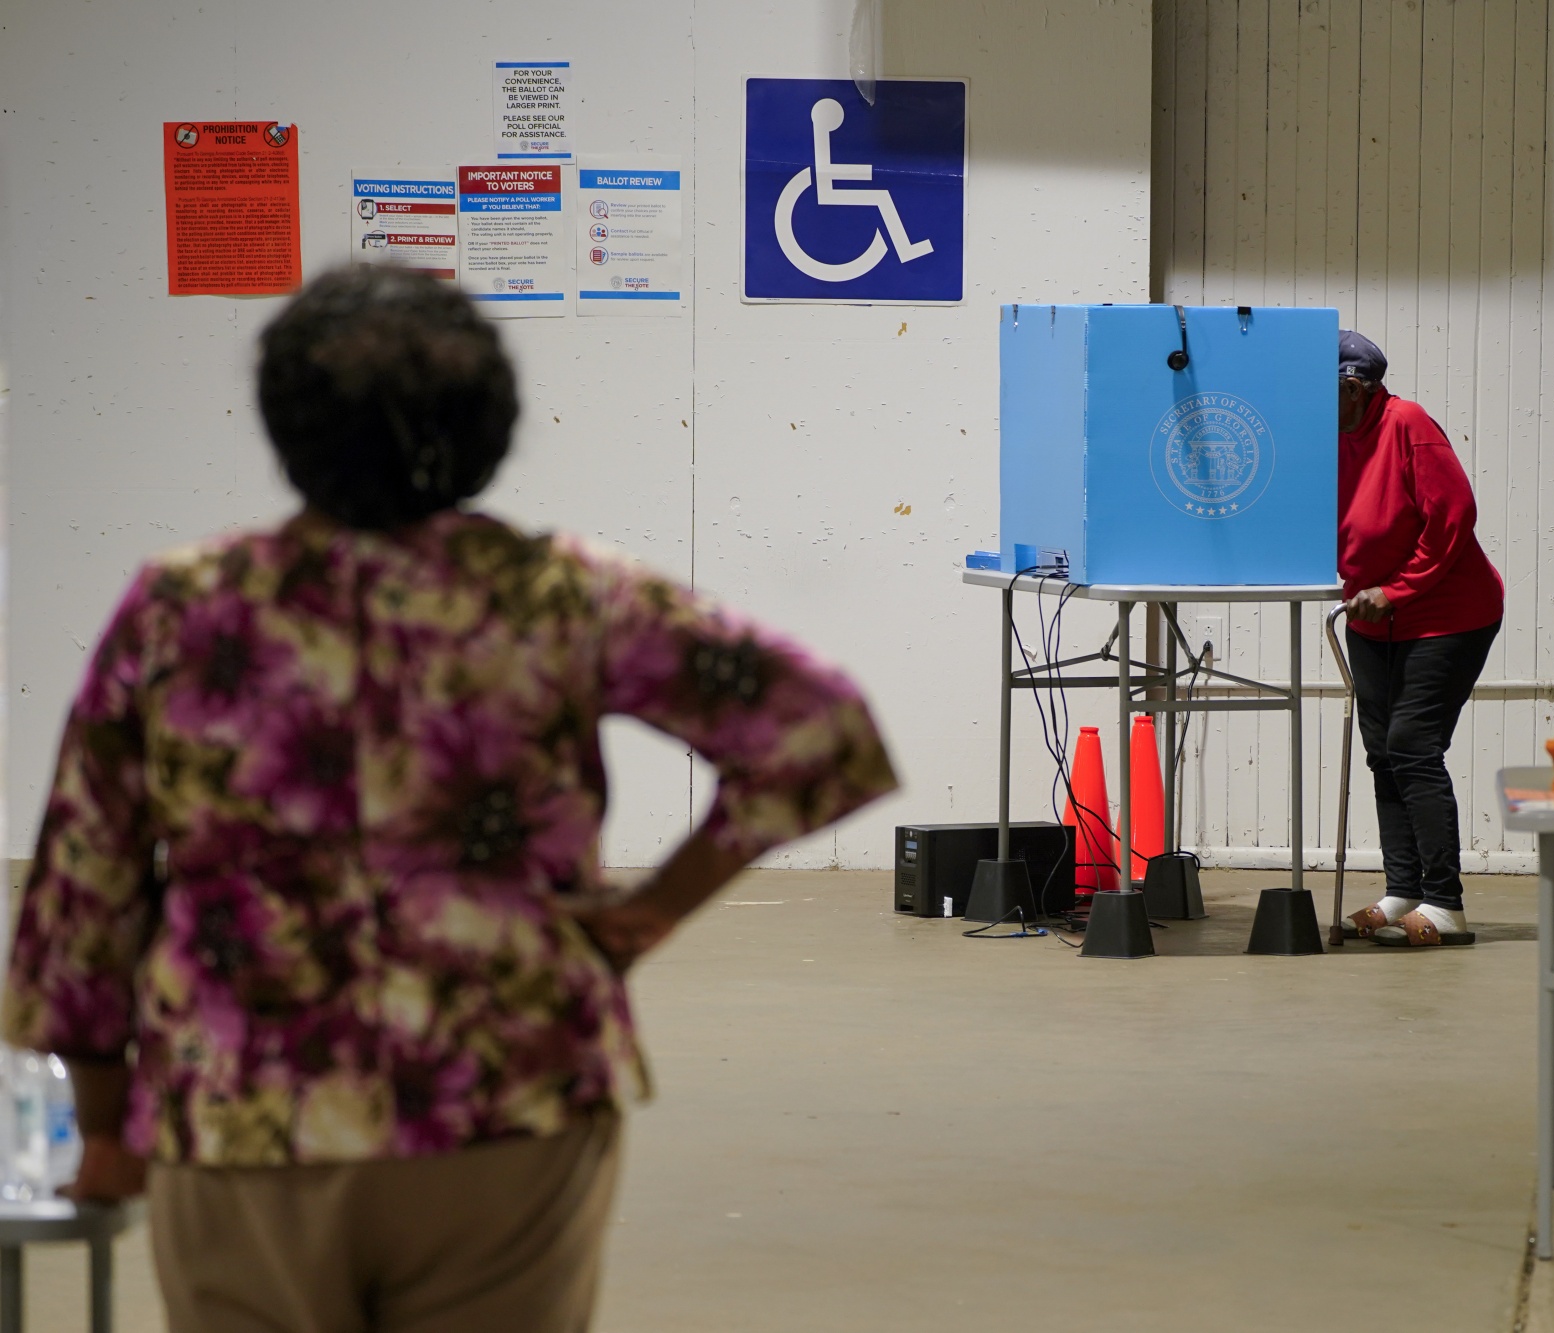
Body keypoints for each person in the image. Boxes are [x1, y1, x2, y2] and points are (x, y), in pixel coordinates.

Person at [1, 265, 898, 1331]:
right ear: (490, 425)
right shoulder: (561, 594)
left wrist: (103, 1123)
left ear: (287, 428)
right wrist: (652, 910)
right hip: (507, 1102)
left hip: (246, 1113)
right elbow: (819, 733)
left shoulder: (181, 610)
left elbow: (83, 887)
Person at [1334, 330, 1503, 948]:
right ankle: (1404, 890)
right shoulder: (1329, 436)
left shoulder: (1406, 423)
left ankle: (1447, 904)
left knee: (1412, 745)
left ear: (1355, 388)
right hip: (1370, 616)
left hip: (1448, 614)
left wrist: (1398, 591)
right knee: (1382, 748)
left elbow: (1453, 515)